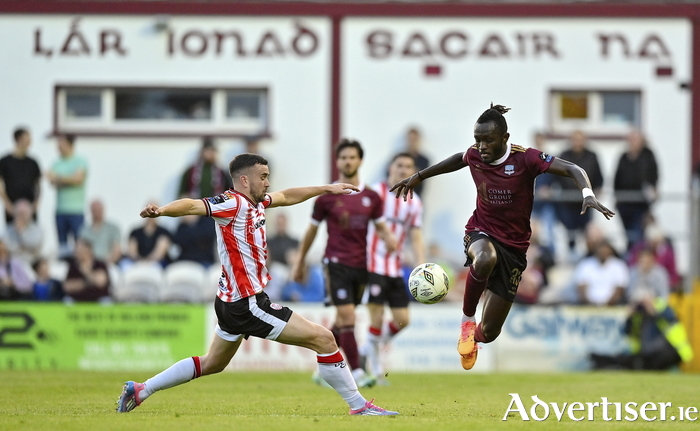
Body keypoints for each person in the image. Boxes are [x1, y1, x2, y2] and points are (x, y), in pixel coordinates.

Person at [116, 153, 398, 416]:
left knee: (213, 362)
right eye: (263, 176)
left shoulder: (258, 202)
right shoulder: (231, 203)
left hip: (229, 301)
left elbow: (287, 196)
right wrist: (162, 211)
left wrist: (327, 187)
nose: (268, 182)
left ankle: (142, 389)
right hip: (247, 303)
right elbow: (192, 205)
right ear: (244, 180)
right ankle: (359, 406)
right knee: (324, 339)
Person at [390, 103, 616, 370]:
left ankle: (474, 338)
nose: (481, 146)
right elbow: (456, 160)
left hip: (515, 248)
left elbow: (573, 169)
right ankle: (466, 322)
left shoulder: (526, 158)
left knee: (492, 331)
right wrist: (418, 176)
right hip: (480, 231)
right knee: (484, 258)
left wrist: (587, 194)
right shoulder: (475, 155)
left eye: (488, 140)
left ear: (505, 138)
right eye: (477, 140)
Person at [292, 139, 396, 388]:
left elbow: (381, 226)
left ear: (360, 161)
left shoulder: (372, 197)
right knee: (348, 317)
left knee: (342, 321)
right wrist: (300, 261)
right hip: (335, 263)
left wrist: (390, 240)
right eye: (343, 157)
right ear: (337, 161)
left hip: (361, 266)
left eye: (352, 157)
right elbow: (311, 231)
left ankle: (323, 369)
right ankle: (358, 372)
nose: (347, 161)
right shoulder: (326, 198)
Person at [360, 152, 425, 383]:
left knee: (402, 320)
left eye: (409, 166)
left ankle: (367, 349)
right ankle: (376, 370)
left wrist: (420, 265)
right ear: (390, 168)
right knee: (376, 318)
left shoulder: (415, 202)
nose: (403, 170)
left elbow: (415, 236)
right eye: (399, 165)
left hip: (395, 268)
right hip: (372, 263)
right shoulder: (376, 193)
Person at [551, 130, 604, 259]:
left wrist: (598, 189)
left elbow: (598, 176)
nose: (577, 143)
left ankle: (587, 256)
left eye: (580, 139)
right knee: (569, 230)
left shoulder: (592, 156)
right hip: (567, 202)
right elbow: (555, 174)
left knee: (586, 230)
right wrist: (551, 187)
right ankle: (571, 254)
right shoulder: (564, 155)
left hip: (585, 202)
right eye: (575, 139)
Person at [613, 130, 659, 250]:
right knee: (629, 233)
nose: (632, 143)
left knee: (637, 233)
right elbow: (617, 178)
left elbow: (653, 176)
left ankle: (633, 256)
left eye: (635, 140)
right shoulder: (624, 156)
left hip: (640, 203)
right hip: (624, 202)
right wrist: (616, 197)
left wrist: (652, 193)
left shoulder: (648, 156)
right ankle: (631, 256)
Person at [46, 134, 88, 257]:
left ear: (70, 145)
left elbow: (78, 180)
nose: (58, 147)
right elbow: (52, 182)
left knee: (79, 242)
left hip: (76, 210)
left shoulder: (80, 161)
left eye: (61, 144)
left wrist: (59, 178)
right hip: (60, 210)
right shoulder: (56, 163)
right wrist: (69, 179)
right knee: (62, 244)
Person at [0, 127, 41, 224]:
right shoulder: (5, 161)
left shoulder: (33, 162)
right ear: (19, 139)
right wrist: (7, 204)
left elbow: (37, 185)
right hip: (12, 207)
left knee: (30, 236)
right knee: (12, 236)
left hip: (30, 208)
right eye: (28, 138)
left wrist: (36, 204)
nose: (30, 141)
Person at [573, 240, 629, 306]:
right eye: (600, 250)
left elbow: (620, 289)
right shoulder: (585, 265)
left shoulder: (619, 266)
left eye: (605, 250)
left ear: (610, 251)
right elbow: (581, 288)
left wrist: (607, 305)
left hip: (612, 306)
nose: (603, 252)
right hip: (588, 306)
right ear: (595, 250)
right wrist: (590, 304)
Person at [63, 238, 111, 302]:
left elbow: (101, 281)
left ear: (88, 250)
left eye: (80, 250)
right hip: (77, 299)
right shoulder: (73, 266)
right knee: (67, 300)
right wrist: (88, 282)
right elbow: (67, 286)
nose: (77, 253)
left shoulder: (100, 264)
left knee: (106, 302)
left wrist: (87, 272)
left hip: (99, 298)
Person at [79, 199, 122, 265]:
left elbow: (117, 249)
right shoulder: (84, 231)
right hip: (90, 264)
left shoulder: (113, 228)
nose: (96, 213)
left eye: (98, 210)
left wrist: (107, 263)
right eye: (94, 210)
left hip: (109, 264)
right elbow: (81, 249)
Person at [3, 199, 43, 265]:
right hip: (12, 264)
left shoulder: (37, 229)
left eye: (24, 213)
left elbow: (35, 245)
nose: (22, 216)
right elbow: (6, 247)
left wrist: (21, 232)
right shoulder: (8, 229)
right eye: (19, 213)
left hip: (32, 263)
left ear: (29, 214)